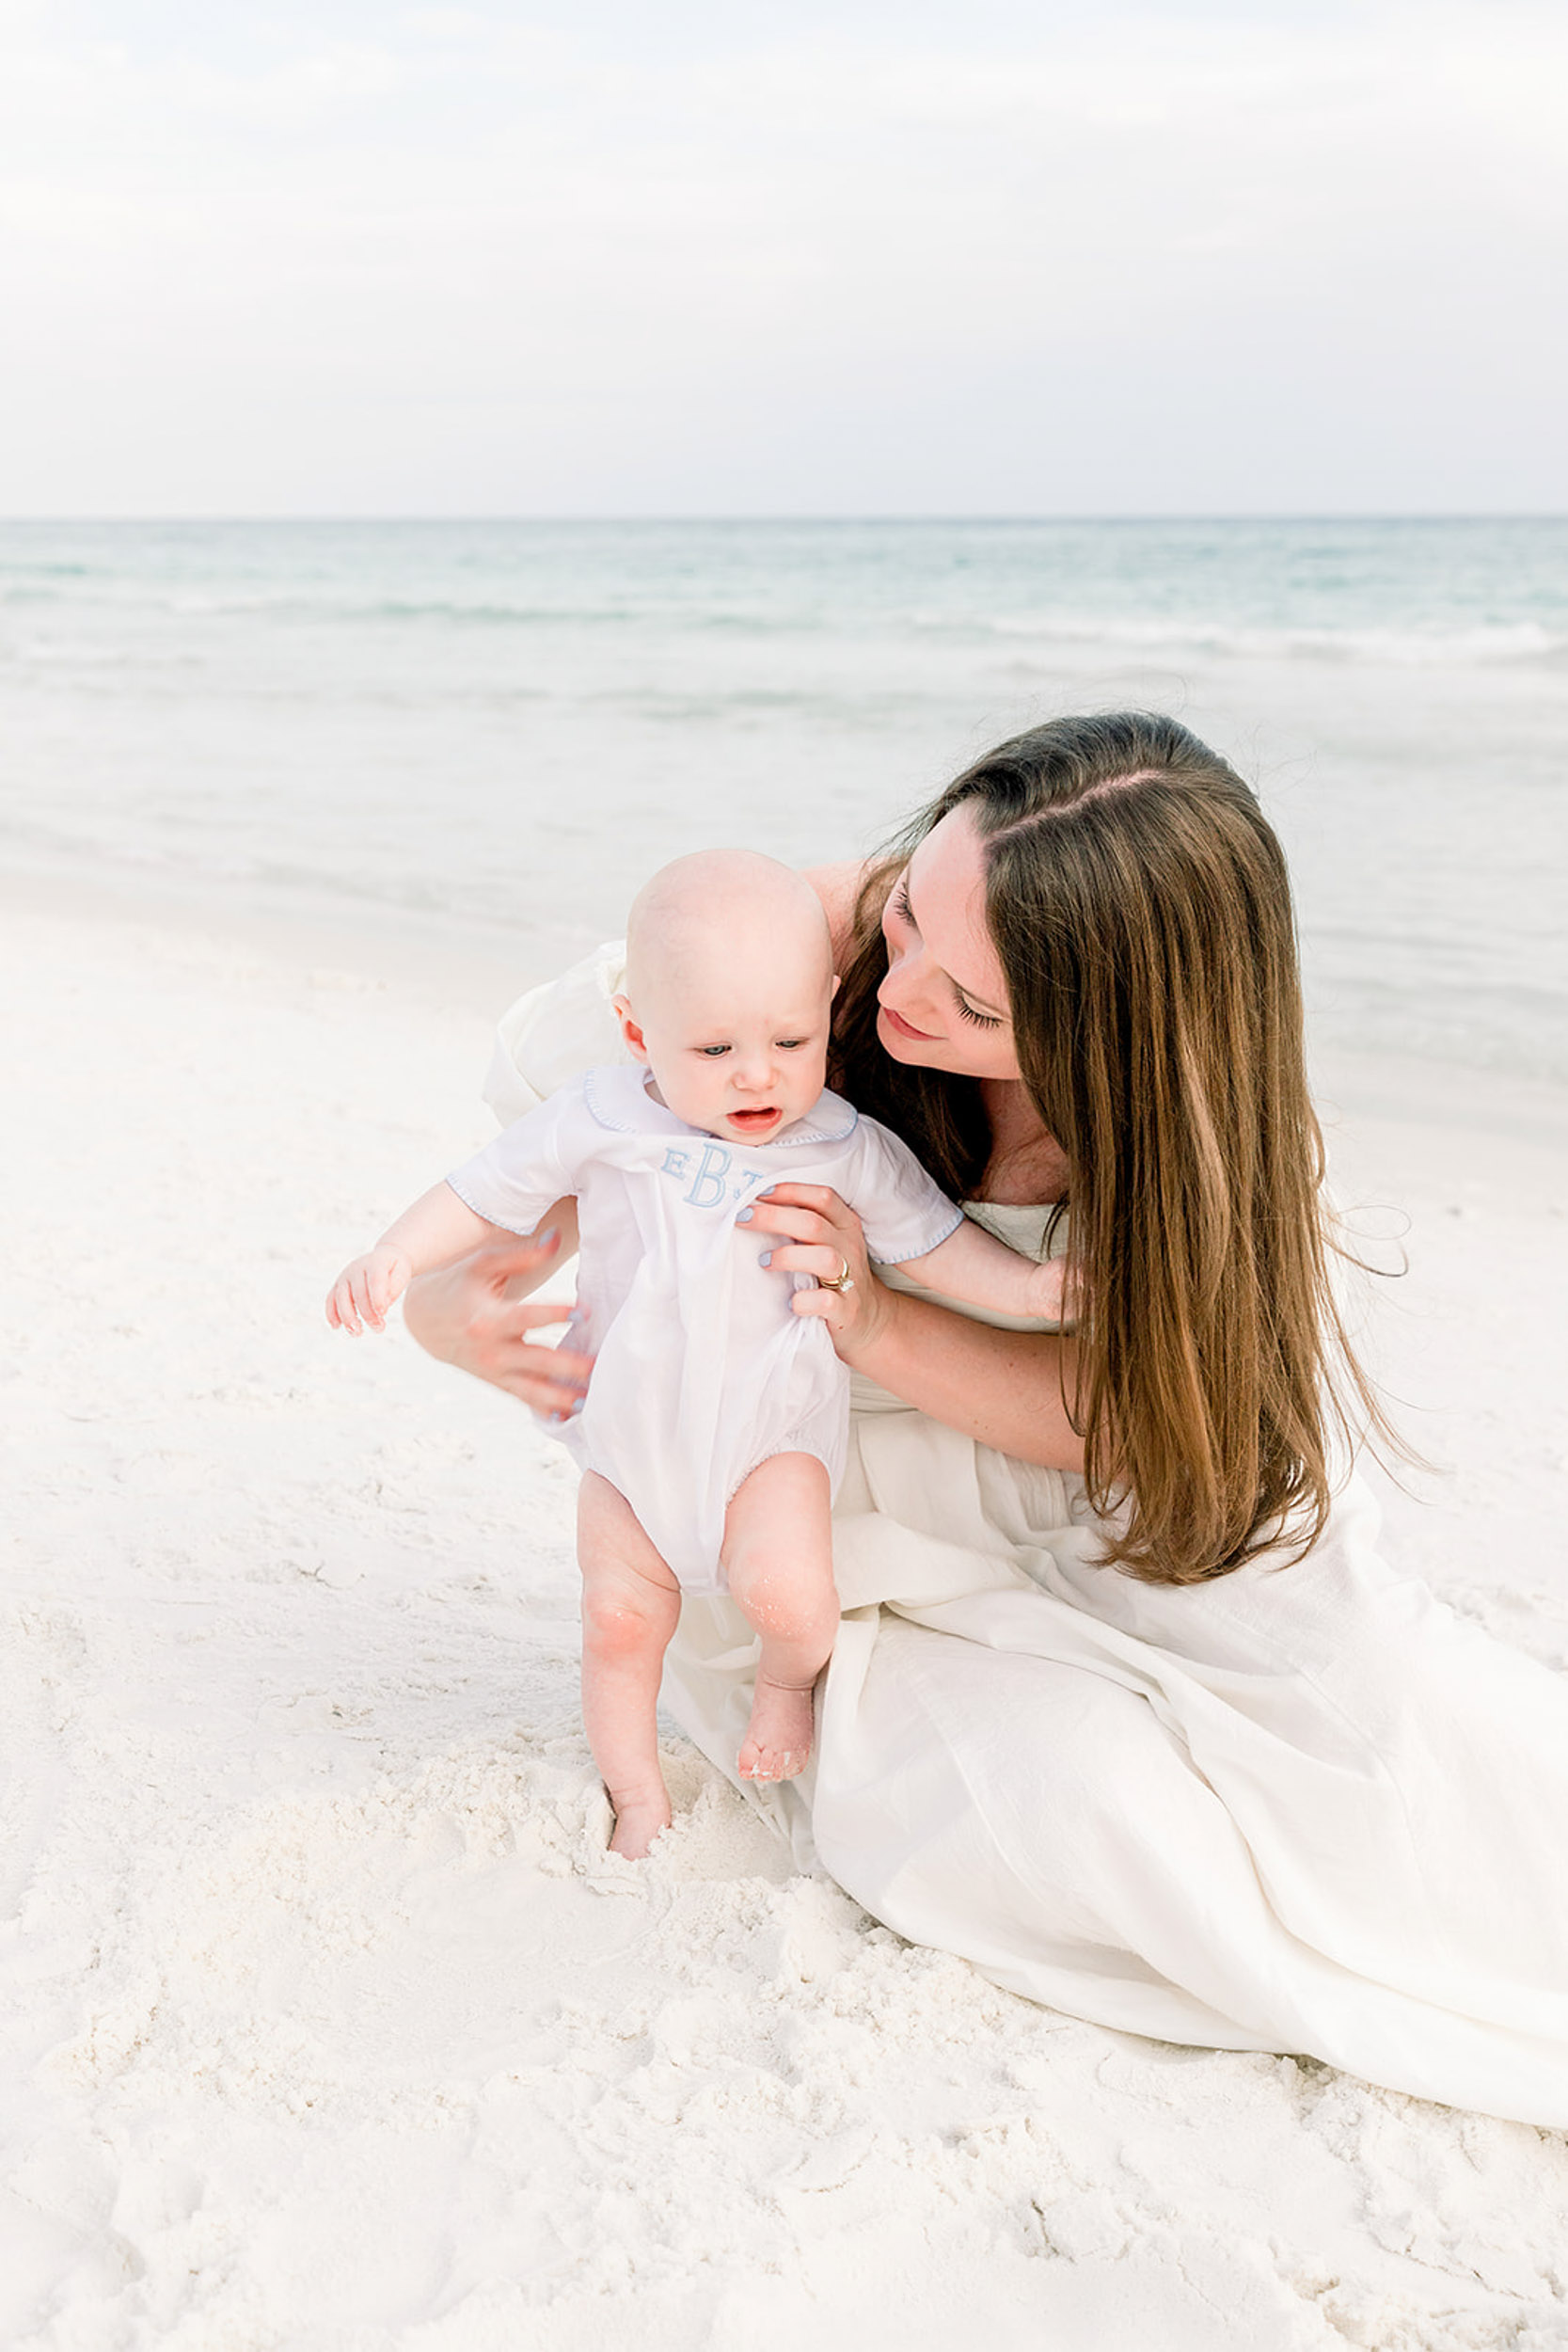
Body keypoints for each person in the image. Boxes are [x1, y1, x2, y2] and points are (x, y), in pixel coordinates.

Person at [404, 714, 1568, 2127]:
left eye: (972, 1001)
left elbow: (1129, 1431)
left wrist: (883, 1317)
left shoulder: (1187, 1139)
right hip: (852, 1541)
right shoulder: (797, 977)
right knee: (1096, 1823)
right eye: (908, 918)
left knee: (1422, 1758)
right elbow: (533, 1166)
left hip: (1114, 1505)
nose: (900, 994)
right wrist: (445, 1319)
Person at [328, 850, 1065, 1855]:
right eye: (713, 1048)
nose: (756, 1074)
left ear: (826, 1005)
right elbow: (481, 1187)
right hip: (628, 1446)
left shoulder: (843, 1145)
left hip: (768, 1438)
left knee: (790, 1598)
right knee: (617, 1625)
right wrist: (394, 1254)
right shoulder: (600, 1116)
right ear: (638, 1032)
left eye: (790, 1039)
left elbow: (930, 1244)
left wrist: (1026, 1286)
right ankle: (635, 1792)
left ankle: (782, 1686)